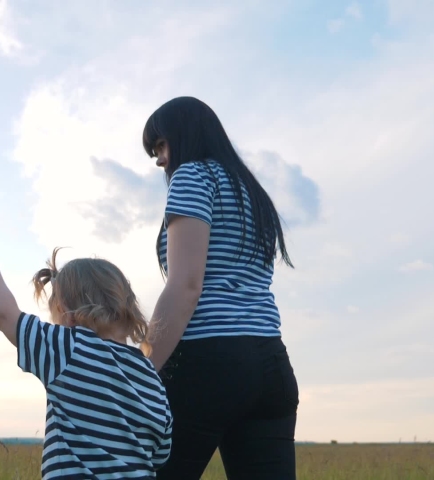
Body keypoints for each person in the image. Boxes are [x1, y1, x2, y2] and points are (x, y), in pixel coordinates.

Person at [142, 96, 300, 480]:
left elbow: (186, 286)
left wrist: (142, 369)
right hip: (271, 365)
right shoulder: (252, 192)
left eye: (161, 145)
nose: (160, 159)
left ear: (186, 134)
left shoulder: (193, 177)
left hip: (208, 360)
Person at [0, 237, 173, 479]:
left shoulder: (69, 348)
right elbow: (160, 454)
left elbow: (4, 315)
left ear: (68, 316)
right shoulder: (151, 376)